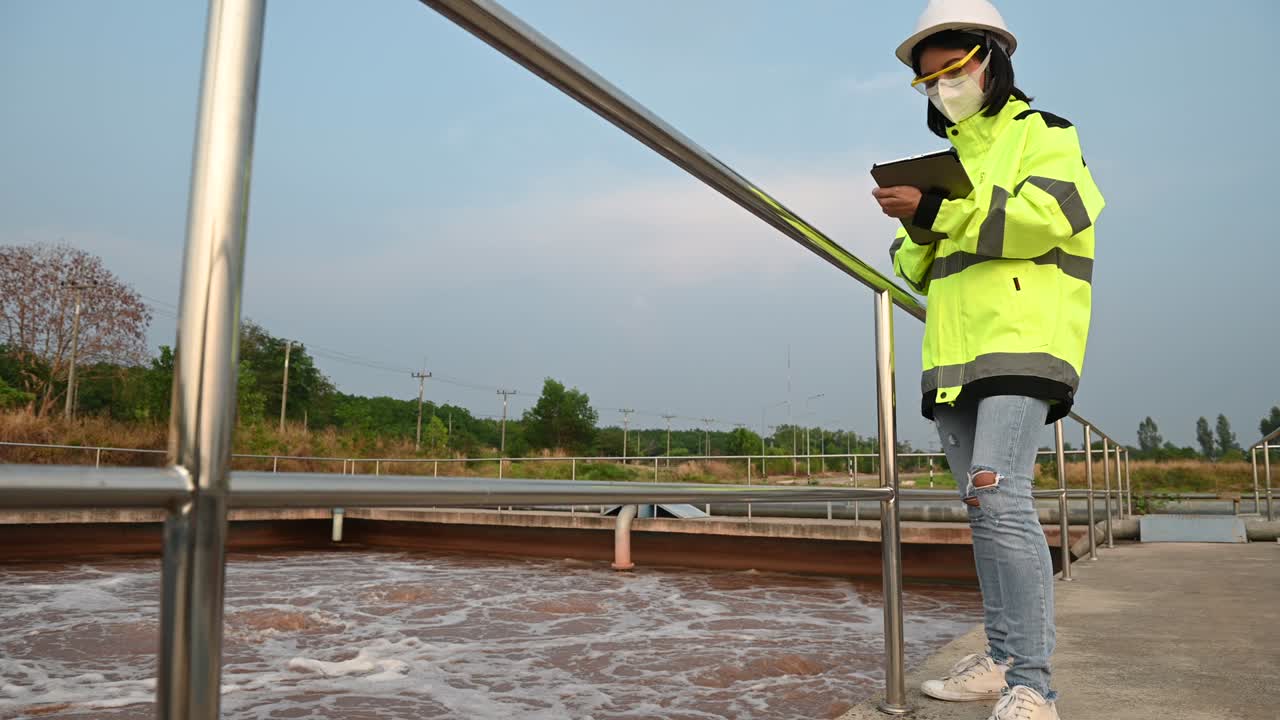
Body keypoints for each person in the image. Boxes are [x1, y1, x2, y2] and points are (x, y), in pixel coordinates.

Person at [872, 1, 1104, 718]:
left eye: (955, 69)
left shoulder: (1046, 135)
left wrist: (940, 213)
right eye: (930, 80)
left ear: (992, 61)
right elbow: (913, 265)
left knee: (1002, 501)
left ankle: (1034, 684)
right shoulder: (951, 160)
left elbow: (1053, 216)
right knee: (982, 508)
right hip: (954, 352)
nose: (945, 86)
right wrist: (915, 217)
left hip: (1024, 339)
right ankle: (1002, 661)